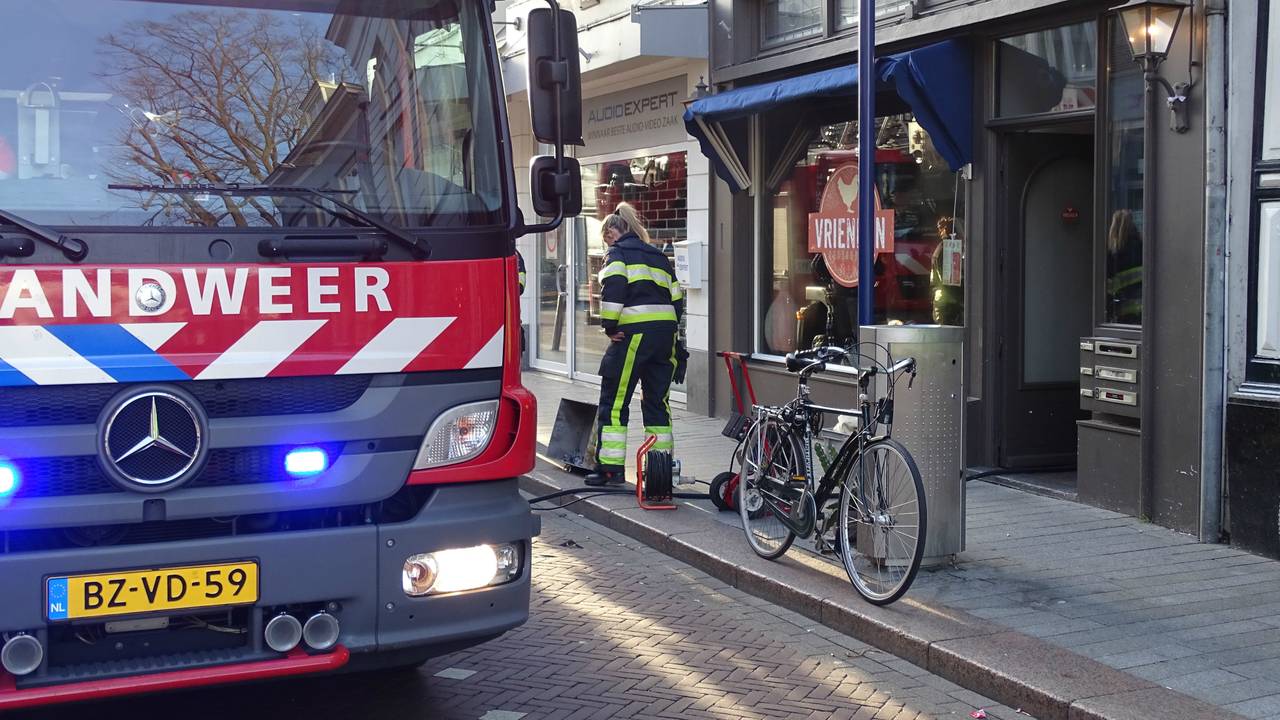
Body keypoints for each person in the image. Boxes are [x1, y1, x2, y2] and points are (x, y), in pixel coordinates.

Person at [586, 203, 685, 486]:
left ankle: (610, 470)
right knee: (657, 404)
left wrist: (610, 326)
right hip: (665, 338)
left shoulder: (618, 254)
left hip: (634, 337)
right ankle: (658, 475)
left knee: (615, 402)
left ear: (616, 230)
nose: (607, 243)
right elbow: (677, 300)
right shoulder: (658, 256)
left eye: (608, 237)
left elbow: (613, 291)